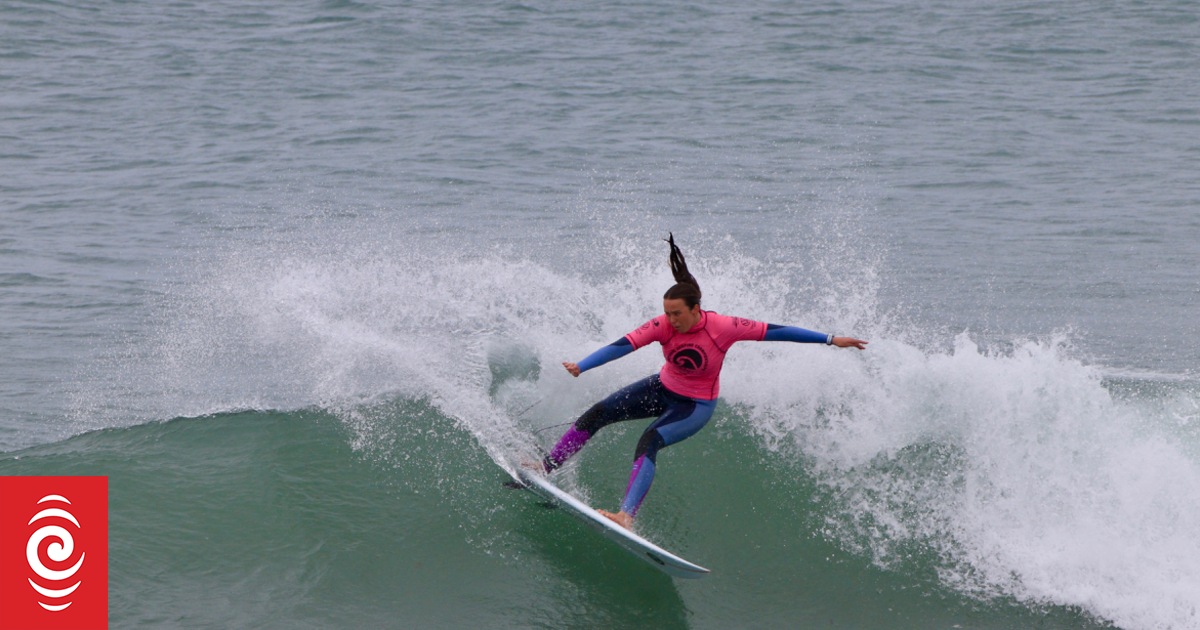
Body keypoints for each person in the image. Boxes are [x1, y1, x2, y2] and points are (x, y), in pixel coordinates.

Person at [543, 234, 868, 530]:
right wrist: (582, 366)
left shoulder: (724, 327)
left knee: (649, 441)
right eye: (667, 314)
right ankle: (545, 467)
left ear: (696, 309)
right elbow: (622, 345)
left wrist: (830, 339)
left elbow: (777, 331)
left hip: (694, 406)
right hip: (661, 387)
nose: (670, 321)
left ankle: (625, 516)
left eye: (677, 314)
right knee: (597, 413)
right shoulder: (662, 325)